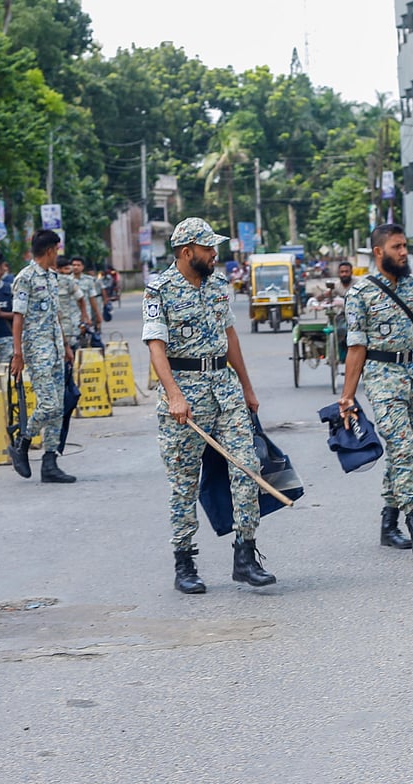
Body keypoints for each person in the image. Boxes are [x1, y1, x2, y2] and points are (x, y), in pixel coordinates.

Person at [143, 217, 275, 594]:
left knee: (247, 467)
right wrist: (174, 395)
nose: (215, 254)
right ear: (187, 252)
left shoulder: (218, 285)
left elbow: (230, 335)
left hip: (225, 388)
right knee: (184, 482)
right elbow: (156, 347)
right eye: (208, 248)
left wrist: (247, 387)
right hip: (184, 394)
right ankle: (184, 562)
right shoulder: (160, 290)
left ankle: (245, 555)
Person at [338, 223, 413, 557]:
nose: (404, 253)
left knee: (406, 452)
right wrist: (348, 396)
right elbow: (356, 348)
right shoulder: (360, 294)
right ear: (379, 252)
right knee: (401, 447)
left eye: (405, 246)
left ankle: (388, 523)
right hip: (383, 379)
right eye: (397, 247)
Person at [8, 230, 76, 484]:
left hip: (56, 349)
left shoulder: (52, 277)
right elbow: (18, 317)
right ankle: (22, 442)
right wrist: (18, 353)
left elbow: (56, 314)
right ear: (50, 250)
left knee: (58, 408)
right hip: (37, 351)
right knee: (49, 405)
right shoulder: (25, 278)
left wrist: (66, 345)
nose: (58, 254)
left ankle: (50, 462)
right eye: (57, 250)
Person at [55, 255, 89, 351]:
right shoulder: (43, 281)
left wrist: (83, 320)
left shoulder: (68, 281)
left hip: (67, 326)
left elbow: (81, 299)